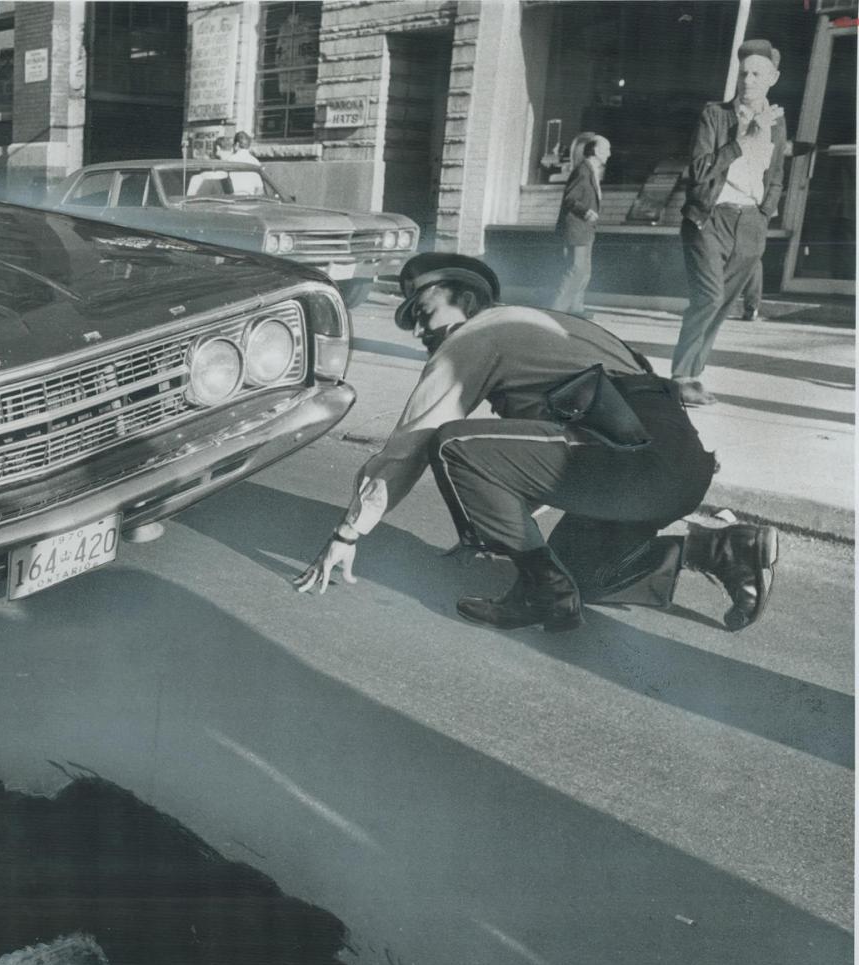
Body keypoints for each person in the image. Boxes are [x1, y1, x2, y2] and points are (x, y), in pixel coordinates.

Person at [293, 252, 779, 633]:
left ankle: (539, 592)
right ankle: (722, 551)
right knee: (582, 578)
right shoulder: (550, 325)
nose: (421, 331)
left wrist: (349, 531)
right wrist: (491, 524)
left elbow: (411, 444)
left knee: (450, 445)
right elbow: (554, 448)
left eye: (423, 312)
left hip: (634, 469)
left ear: (464, 297)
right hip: (672, 470)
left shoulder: (475, 337)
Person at [671, 39, 788, 406]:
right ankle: (680, 377)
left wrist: (766, 211)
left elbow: (778, 174)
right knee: (708, 296)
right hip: (710, 218)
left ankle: (694, 376)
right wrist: (742, 140)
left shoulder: (777, 121)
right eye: (744, 73)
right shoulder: (715, 115)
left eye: (757, 73)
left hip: (751, 222)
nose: (748, 80)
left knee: (723, 306)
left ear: (773, 78)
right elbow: (700, 171)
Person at [550, 133, 610, 316]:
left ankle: (576, 309)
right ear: (597, 150)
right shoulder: (583, 170)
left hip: (585, 230)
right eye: (607, 150)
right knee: (577, 270)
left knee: (585, 271)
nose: (609, 154)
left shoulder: (591, 170)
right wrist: (586, 211)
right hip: (577, 229)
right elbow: (570, 198)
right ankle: (557, 311)